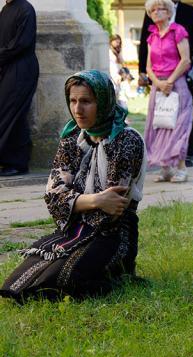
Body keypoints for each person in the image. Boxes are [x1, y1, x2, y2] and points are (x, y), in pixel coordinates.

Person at [0, 70, 145, 301]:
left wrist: (75, 202)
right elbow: (53, 195)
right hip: (75, 230)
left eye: (86, 101)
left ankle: (118, 273)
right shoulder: (71, 138)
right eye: (73, 101)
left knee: (63, 281)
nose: (78, 109)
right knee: (18, 285)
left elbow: (113, 210)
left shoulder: (127, 140)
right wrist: (96, 200)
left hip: (113, 234)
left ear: (104, 101)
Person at [138, 0, 193, 168]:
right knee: (159, 123)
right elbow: (147, 61)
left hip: (179, 79)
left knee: (180, 122)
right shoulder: (152, 35)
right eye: (153, 10)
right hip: (158, 84)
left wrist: (173, 80)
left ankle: (183, 162)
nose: (156, 12)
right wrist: (155, 81)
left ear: (169, 12)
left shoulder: (180, 28)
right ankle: (164, 165)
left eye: (160, 9)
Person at [0, 0, 38, 176]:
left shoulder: (26, 9)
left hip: (21, 69)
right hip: (7, 67)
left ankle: (17, 163)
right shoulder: (6, 9)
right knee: (13, 114)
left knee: (12, 112)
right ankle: (13, 161)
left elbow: (21, 44)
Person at [109, 34, 125, 106]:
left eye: (119, 42)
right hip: (111, 78)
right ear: (111, 41)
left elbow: (122, 64)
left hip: (118, 80)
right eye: (116, 41)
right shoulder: (109, 52)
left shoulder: (118, 53)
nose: (117, 44)